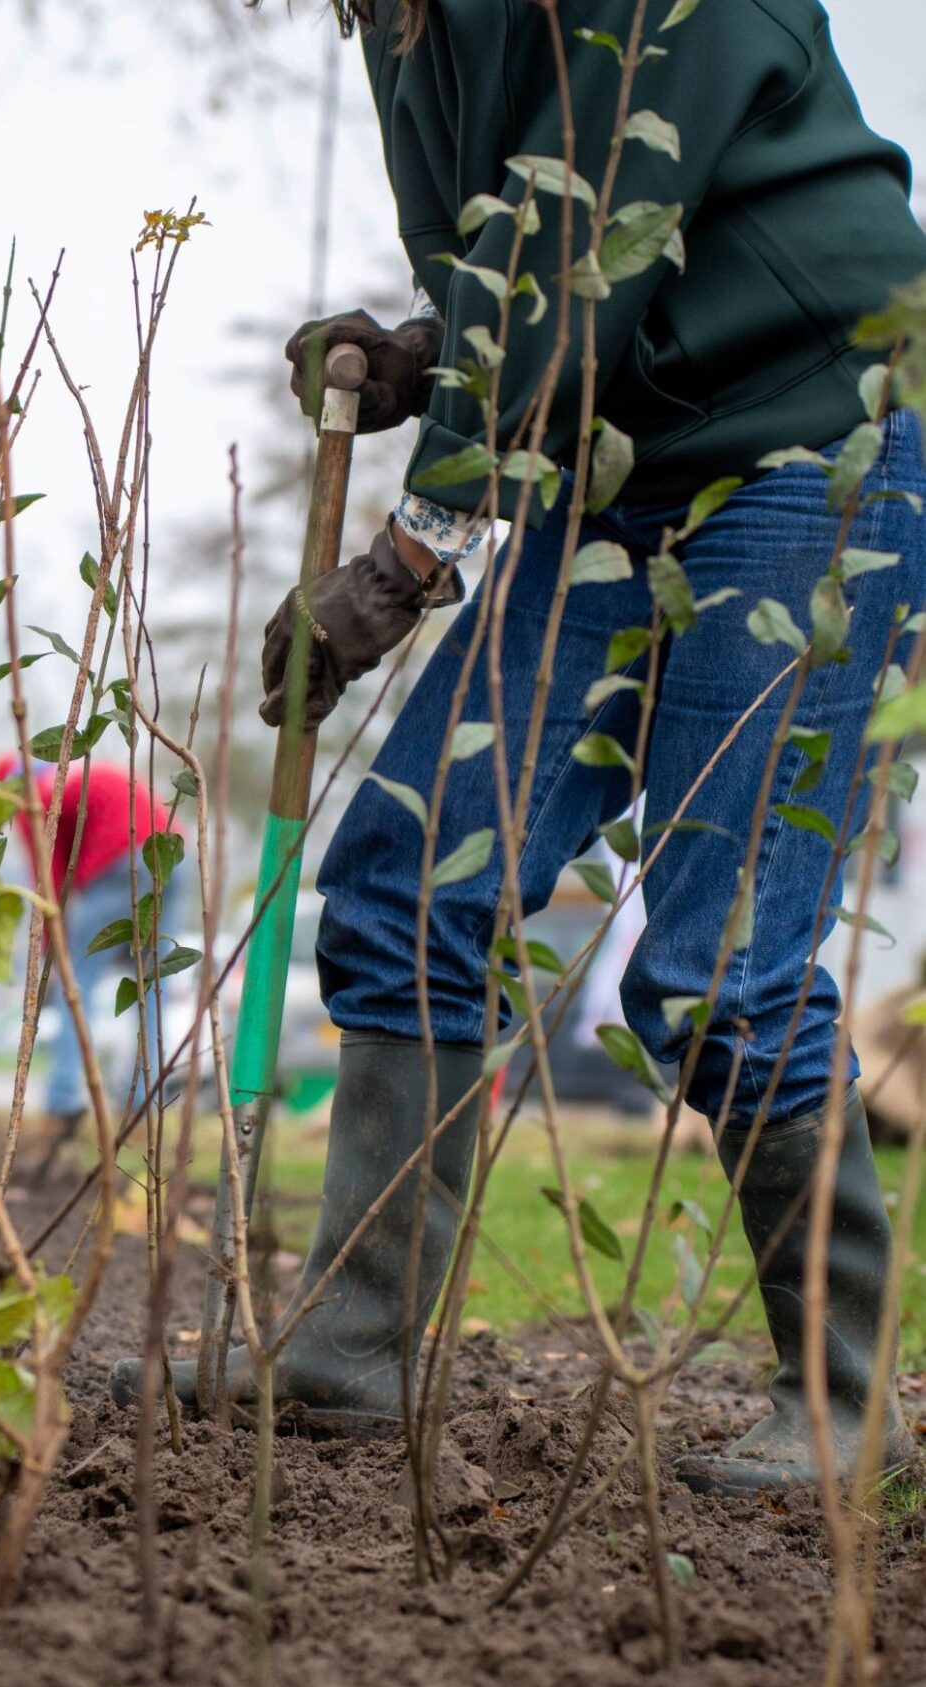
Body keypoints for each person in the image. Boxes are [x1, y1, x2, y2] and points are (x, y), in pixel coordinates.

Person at [115, 0, 926, 1495]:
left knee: (721, 965)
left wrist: (410, 562)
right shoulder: (404, 21)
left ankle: (845, 1404)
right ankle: (347, 1356)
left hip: (820, 442)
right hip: (614, 466)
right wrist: (429, 350)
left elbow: (581, 245)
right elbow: (516, 261)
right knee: (410, 875)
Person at [0, 753, 181, 1150]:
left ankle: (64, 1101)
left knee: (75, 983)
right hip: (173, 857)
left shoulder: (37, 802)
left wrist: (52, 957)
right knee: (151, 983)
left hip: (121, 863)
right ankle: (144, 1101)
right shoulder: (92, 777)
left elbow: (50, 883)